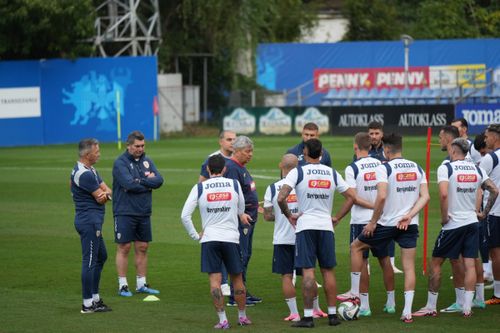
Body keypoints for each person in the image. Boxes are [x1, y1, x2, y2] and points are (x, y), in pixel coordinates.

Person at [277, 138, 362, 328]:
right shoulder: (332, 173)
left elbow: (281, 197)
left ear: (305, 153)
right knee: (328, 270)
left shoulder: (298, 171)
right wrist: (338, 217)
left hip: (305, 226)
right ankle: (332, 315)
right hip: (325, 226)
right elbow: (352, 197)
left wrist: (289, 215)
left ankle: (307, 317)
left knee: (308, 271)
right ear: (322, 154)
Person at [348, 133, 430, 323]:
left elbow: (382, 196)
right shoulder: (417, 167)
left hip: (387, 223)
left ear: (386, 149)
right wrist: (410, 215)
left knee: (356, 247)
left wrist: (373, 221)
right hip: (409, 224)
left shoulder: (384, 168)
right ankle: (406, 312)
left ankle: (354, 294)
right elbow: (425, 197)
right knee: (408, 268)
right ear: (401, 147)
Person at [413, 138, 498, 318]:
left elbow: (443, 194)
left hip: (453, 224)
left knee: (436, 263)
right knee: (469, 264)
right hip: (472, 222)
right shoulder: (477, 168)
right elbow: (495, 190)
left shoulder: (447, 168)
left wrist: (444, 218)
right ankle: (467, 308)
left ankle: (430, 306)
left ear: (453, 149)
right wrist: (483, 213)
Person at [181, 154, 253, 329]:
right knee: (237, 279)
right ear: (225, 169)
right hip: (231, 238)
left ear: (207, 169)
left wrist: (196, 235)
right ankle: (242, 317)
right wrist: (240, 215)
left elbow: (184, 216)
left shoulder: (199, 188)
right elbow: (241, 209)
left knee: (215, 280)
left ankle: (223, 320)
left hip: (210, 238)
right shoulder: (234, 184)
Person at [336, 132, 396, 317]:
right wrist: (377, 206)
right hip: (381, 219)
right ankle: (391, 303)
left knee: (362, 262)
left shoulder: (352, 168)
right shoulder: (381, 165)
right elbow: (387, 192)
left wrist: (370, 205)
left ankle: (364, 305)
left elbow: (352, 197)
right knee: (385, 260)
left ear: (355, 147)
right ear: (370, 147)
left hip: (361, 221)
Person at [263, 154, 327, 322]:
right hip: (304, 235)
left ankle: (294, 313)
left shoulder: (272, 188)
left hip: (283, 238)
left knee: (286, 275)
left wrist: (268, 212)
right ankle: (316, 309)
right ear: (298, 166)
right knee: (309, 274)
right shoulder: (304, 184)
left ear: (280, 166)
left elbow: (269, 217)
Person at [113, 130, 164, 297]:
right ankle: (123, 285)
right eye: (137, 146)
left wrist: (140, 180)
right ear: (128, 146)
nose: (140, 149)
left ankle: (141, 284)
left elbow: (159, 181)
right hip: (125, 211)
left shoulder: (147, 161)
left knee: (142, 247)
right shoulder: (120, 163)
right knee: (124, 247)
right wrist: (147, 181)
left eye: (142, 146)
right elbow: (128, 184)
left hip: (143, 211)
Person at [71, 138, 112, 313]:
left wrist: (104, 194)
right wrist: (104, 195)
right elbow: (102, 198)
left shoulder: (90, 169)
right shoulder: (85, 174)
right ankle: (87, 304)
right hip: (88, 221)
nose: (99, 154)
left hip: (93, 221)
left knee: (101, 256)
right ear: (87, 155)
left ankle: (95, 298)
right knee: (89, 261)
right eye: (97, 152)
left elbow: (107, 190)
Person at [224, 136, 262, 305]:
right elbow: (232, 196)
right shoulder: (233, 168)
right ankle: (235, 295)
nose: (251, 154)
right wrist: (242, 213)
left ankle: (242, 291)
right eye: (247, 151)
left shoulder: (241, 167)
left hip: (250, 218)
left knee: (246, 255)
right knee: (241, 255)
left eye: (251, 151)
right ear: (237, 151)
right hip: (242, 220)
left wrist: (255, 206)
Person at [198, 130, 236, 296]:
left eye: (234, 139)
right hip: (216, 213)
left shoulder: (236, 157)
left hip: (232, 212)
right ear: (220, 141)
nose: (232, 143)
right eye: (229, 140)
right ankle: (224, 283)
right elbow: (201, 185)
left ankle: (234, 284)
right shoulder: (212, 159)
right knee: (220, 244)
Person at [366, 121, 402, 274]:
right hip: (368, 197)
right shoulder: (364, 150)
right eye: (371, 133)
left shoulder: (388, 149)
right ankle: (365, 264)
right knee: (365, 229)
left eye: (376, 133)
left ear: (381, 134)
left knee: (389, 227)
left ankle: (392, 263)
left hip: (385, 196)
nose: (374, 136)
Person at [480, 124, 500, 305]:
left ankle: (498, 294)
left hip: (494, 212)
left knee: (496, 252)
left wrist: (482, 212)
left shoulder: (490, 158)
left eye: (487, 136)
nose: (485, 140)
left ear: (495, 137)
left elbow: (477, 182)